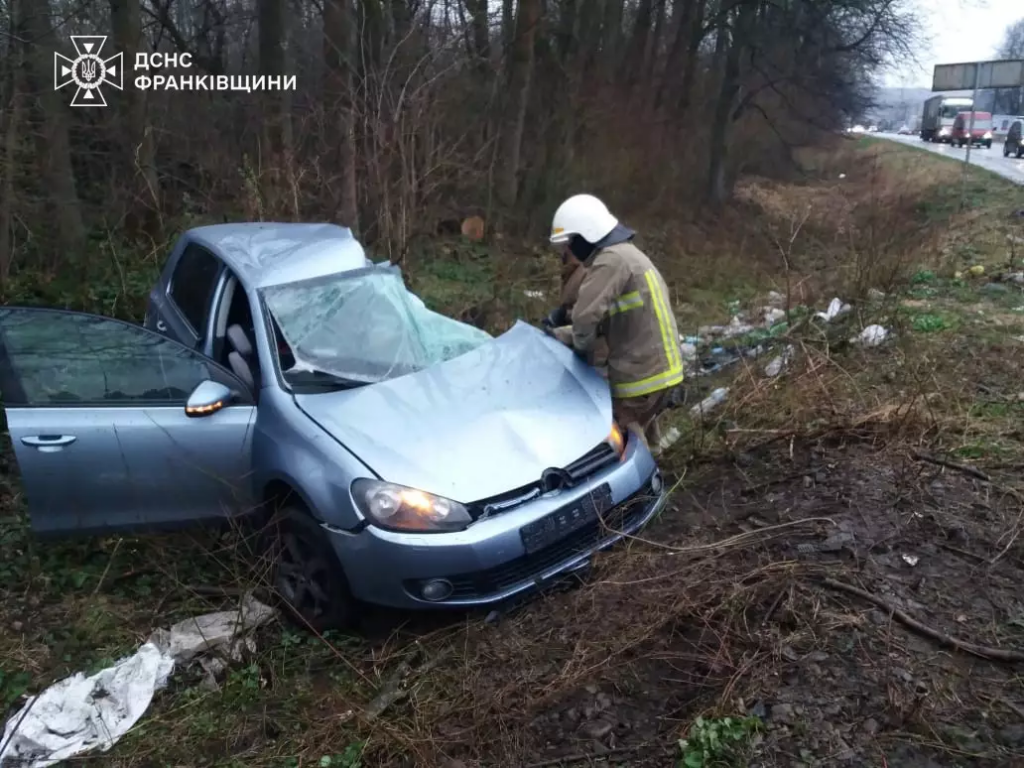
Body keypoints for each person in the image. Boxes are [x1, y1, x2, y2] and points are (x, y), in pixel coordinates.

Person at [547, 194, 682, 451]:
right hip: (661, 369)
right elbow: (606, 320)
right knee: (638, 423)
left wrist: (580, 352)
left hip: (641, 376)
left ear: (586, 235)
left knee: (619, 432)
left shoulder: (610, 261)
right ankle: (655, 455)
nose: (569, 251)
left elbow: (585, 318)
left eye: (572, 242)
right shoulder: (629, 255)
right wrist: (557, 335)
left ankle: (642, 485)